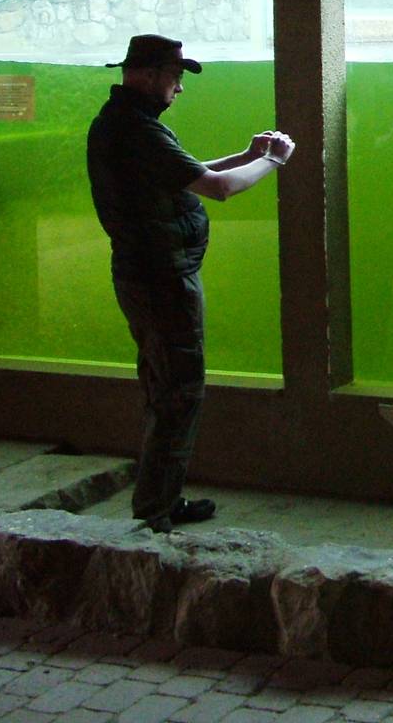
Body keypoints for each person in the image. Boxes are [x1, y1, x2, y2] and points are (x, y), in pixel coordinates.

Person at [86, 34, 296, 533]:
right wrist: (273, 161)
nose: (179, 88)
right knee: (178, 392)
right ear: (150, 75)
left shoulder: (126, 123)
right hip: (162, 281)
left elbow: (191, 175)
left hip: (150, 276)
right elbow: (217, 189)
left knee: (166, 388)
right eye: (176, 77)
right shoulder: (138, 130)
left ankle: (161, 499)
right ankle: (155, 512)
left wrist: (247, 154)